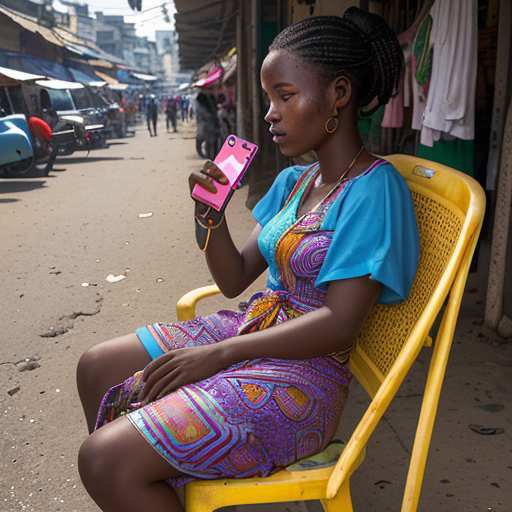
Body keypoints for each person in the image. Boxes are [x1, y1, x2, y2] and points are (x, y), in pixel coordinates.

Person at [77, 9, 419, 511]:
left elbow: (341, 323)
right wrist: (209, 218)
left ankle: (135, 473)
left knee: (104, 459)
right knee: (96, 367)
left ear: (339, 95)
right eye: (269, 99)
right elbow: (235, 278)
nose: (270, 114)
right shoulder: (294, 183)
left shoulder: (374, 190)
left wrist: (217, 356)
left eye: (286, 95)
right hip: (252, 329)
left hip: (305, 378)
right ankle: (143, 482)